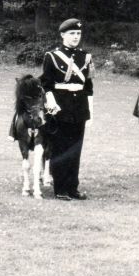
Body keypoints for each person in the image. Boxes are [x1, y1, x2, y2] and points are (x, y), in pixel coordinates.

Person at [41, 18, 93, 201]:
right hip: (60, 107)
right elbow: (46, 85)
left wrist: (90, 112)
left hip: (79, 107)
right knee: (60, 147)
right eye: (72, 33)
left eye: (78, 33)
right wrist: (51, 104)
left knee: (75, 149)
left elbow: (88, 87)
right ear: (63, 35)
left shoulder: (85, 57)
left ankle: (73, 188)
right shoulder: (52, 56)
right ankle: (60, 188)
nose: (75, 37)